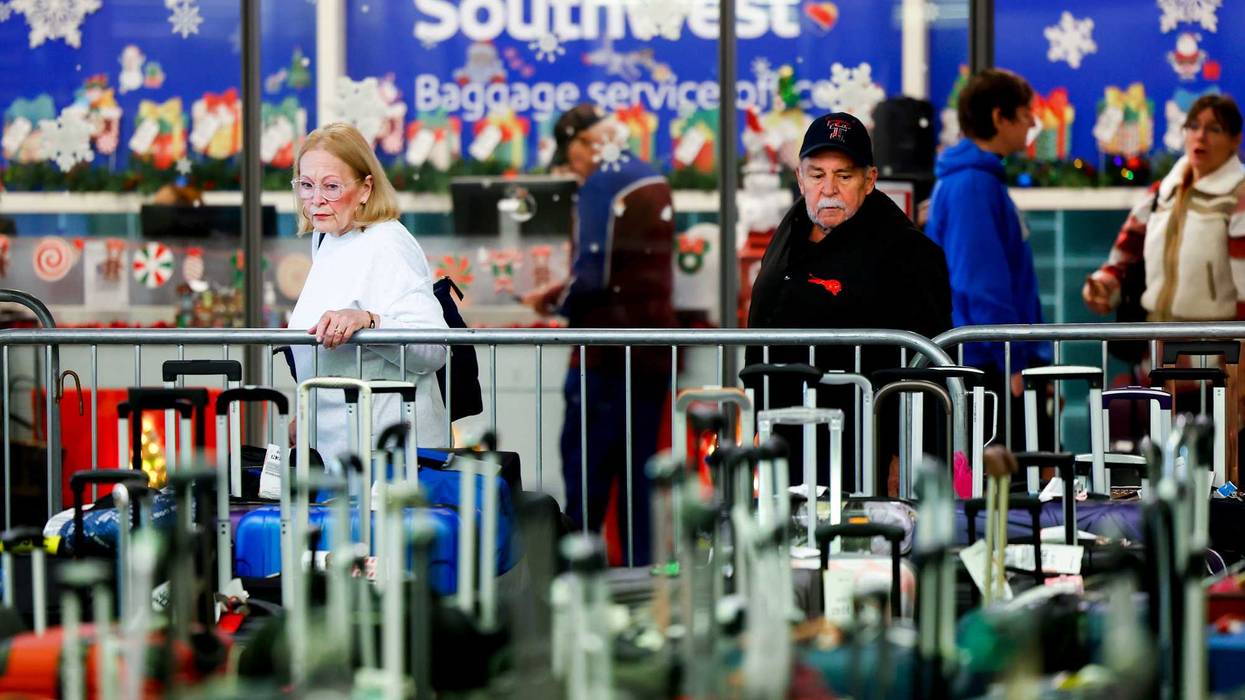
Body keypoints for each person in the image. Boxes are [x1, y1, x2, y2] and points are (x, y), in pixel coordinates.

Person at [745, 111, 952, 493]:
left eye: (844, 176)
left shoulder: (906, 251)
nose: (828, 189)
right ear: (800, 177)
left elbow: (929, 359)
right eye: (817, 174)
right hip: (784, 436)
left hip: (861, 447)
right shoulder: (789, 230)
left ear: (869, 180)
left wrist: (902, 454)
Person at [524, 104, 675, 565]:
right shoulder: (648, 175)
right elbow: (627, 267)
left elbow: (592, 277)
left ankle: (577, 584)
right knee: (638, 483)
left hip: (603, 360)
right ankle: (640, 588)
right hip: (649, 354)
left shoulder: (602, 182)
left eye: (571, 158)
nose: (573, 169)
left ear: (585, 143)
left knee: (585, 479)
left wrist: (553, 301)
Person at [1082, 94, 1245, 480]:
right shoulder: (1163, 189)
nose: (1200, 136)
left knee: (1221, 468)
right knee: (1158, 466)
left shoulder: (1239, 194)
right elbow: (1124, 253)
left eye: (1214, 128)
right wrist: (1104, 285)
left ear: (1235, 140)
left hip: (1222, 357)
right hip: (1159, 353)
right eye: (1193, 126)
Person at [286, 123, 449, 463]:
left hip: (392, 456)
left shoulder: (388, 243)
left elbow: (434, 349)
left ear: (365, 188)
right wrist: (308, 412)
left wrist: (369, 322)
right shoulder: (327, 237)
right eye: (306, 185)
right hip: (339, 452)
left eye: (331, 186)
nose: (316, 199)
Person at [924, 68, 1051, 445]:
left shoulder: (978, 179)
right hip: (985, 365)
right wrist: (1011, 358)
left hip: (990, 359)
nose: (1032, 122)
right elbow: (981, 284)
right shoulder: (973, 185)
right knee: (996, 489)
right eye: (1026, 112)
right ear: (999, 117)